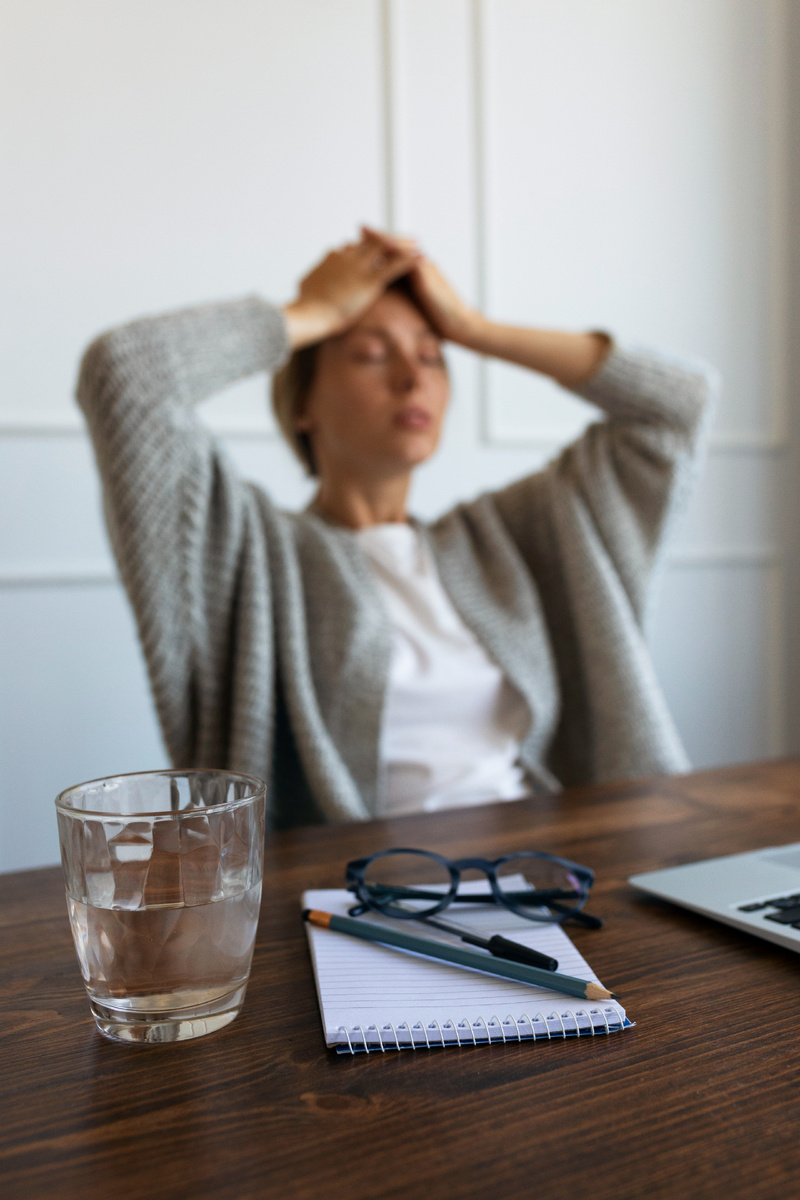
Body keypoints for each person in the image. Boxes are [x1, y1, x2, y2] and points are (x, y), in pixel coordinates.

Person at [77, 227, 716, 829]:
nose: (413, 378)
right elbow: (125, 375)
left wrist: (472, 326)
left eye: (432, 357)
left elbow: (676, 406)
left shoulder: (517, 535)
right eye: (371, 353)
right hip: (352, 904)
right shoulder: (247, 553)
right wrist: (313, 311)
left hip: (551, 872)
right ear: (302, 405)